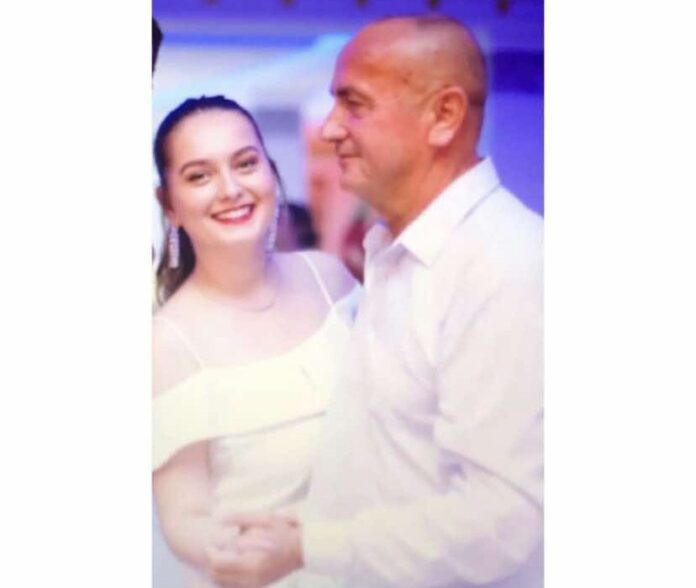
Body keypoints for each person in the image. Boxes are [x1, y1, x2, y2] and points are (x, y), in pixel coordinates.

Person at [216, 14, 544, 588]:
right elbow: (387, 465)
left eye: (355, 104)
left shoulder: (506, 266)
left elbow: (505, 519)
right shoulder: (396, 255)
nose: (330, 128)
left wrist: (309, 546)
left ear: (443, 116)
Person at [151, 95, 359, 588]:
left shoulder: (330, 279)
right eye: (199, 176)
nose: (230, 189)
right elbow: (185, 515)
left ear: (271, 172)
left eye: (245, 164)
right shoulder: (163, 345)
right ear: (170, 204)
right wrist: (238, 551)